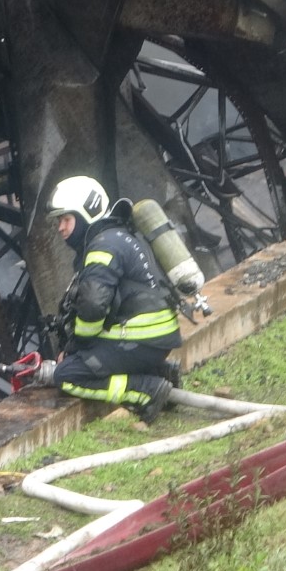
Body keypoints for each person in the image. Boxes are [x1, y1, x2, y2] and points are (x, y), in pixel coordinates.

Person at [43, 176, 181, 423]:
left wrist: (75, 349)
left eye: (66, 219)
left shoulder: (101, 247)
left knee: (67, 374)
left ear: (87, 215)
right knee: (89, 357)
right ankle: (160, 372)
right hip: (158, 333)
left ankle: (147, 391)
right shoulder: (120, 234)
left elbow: (94, 307)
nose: (60, 228)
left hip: (142, 336)